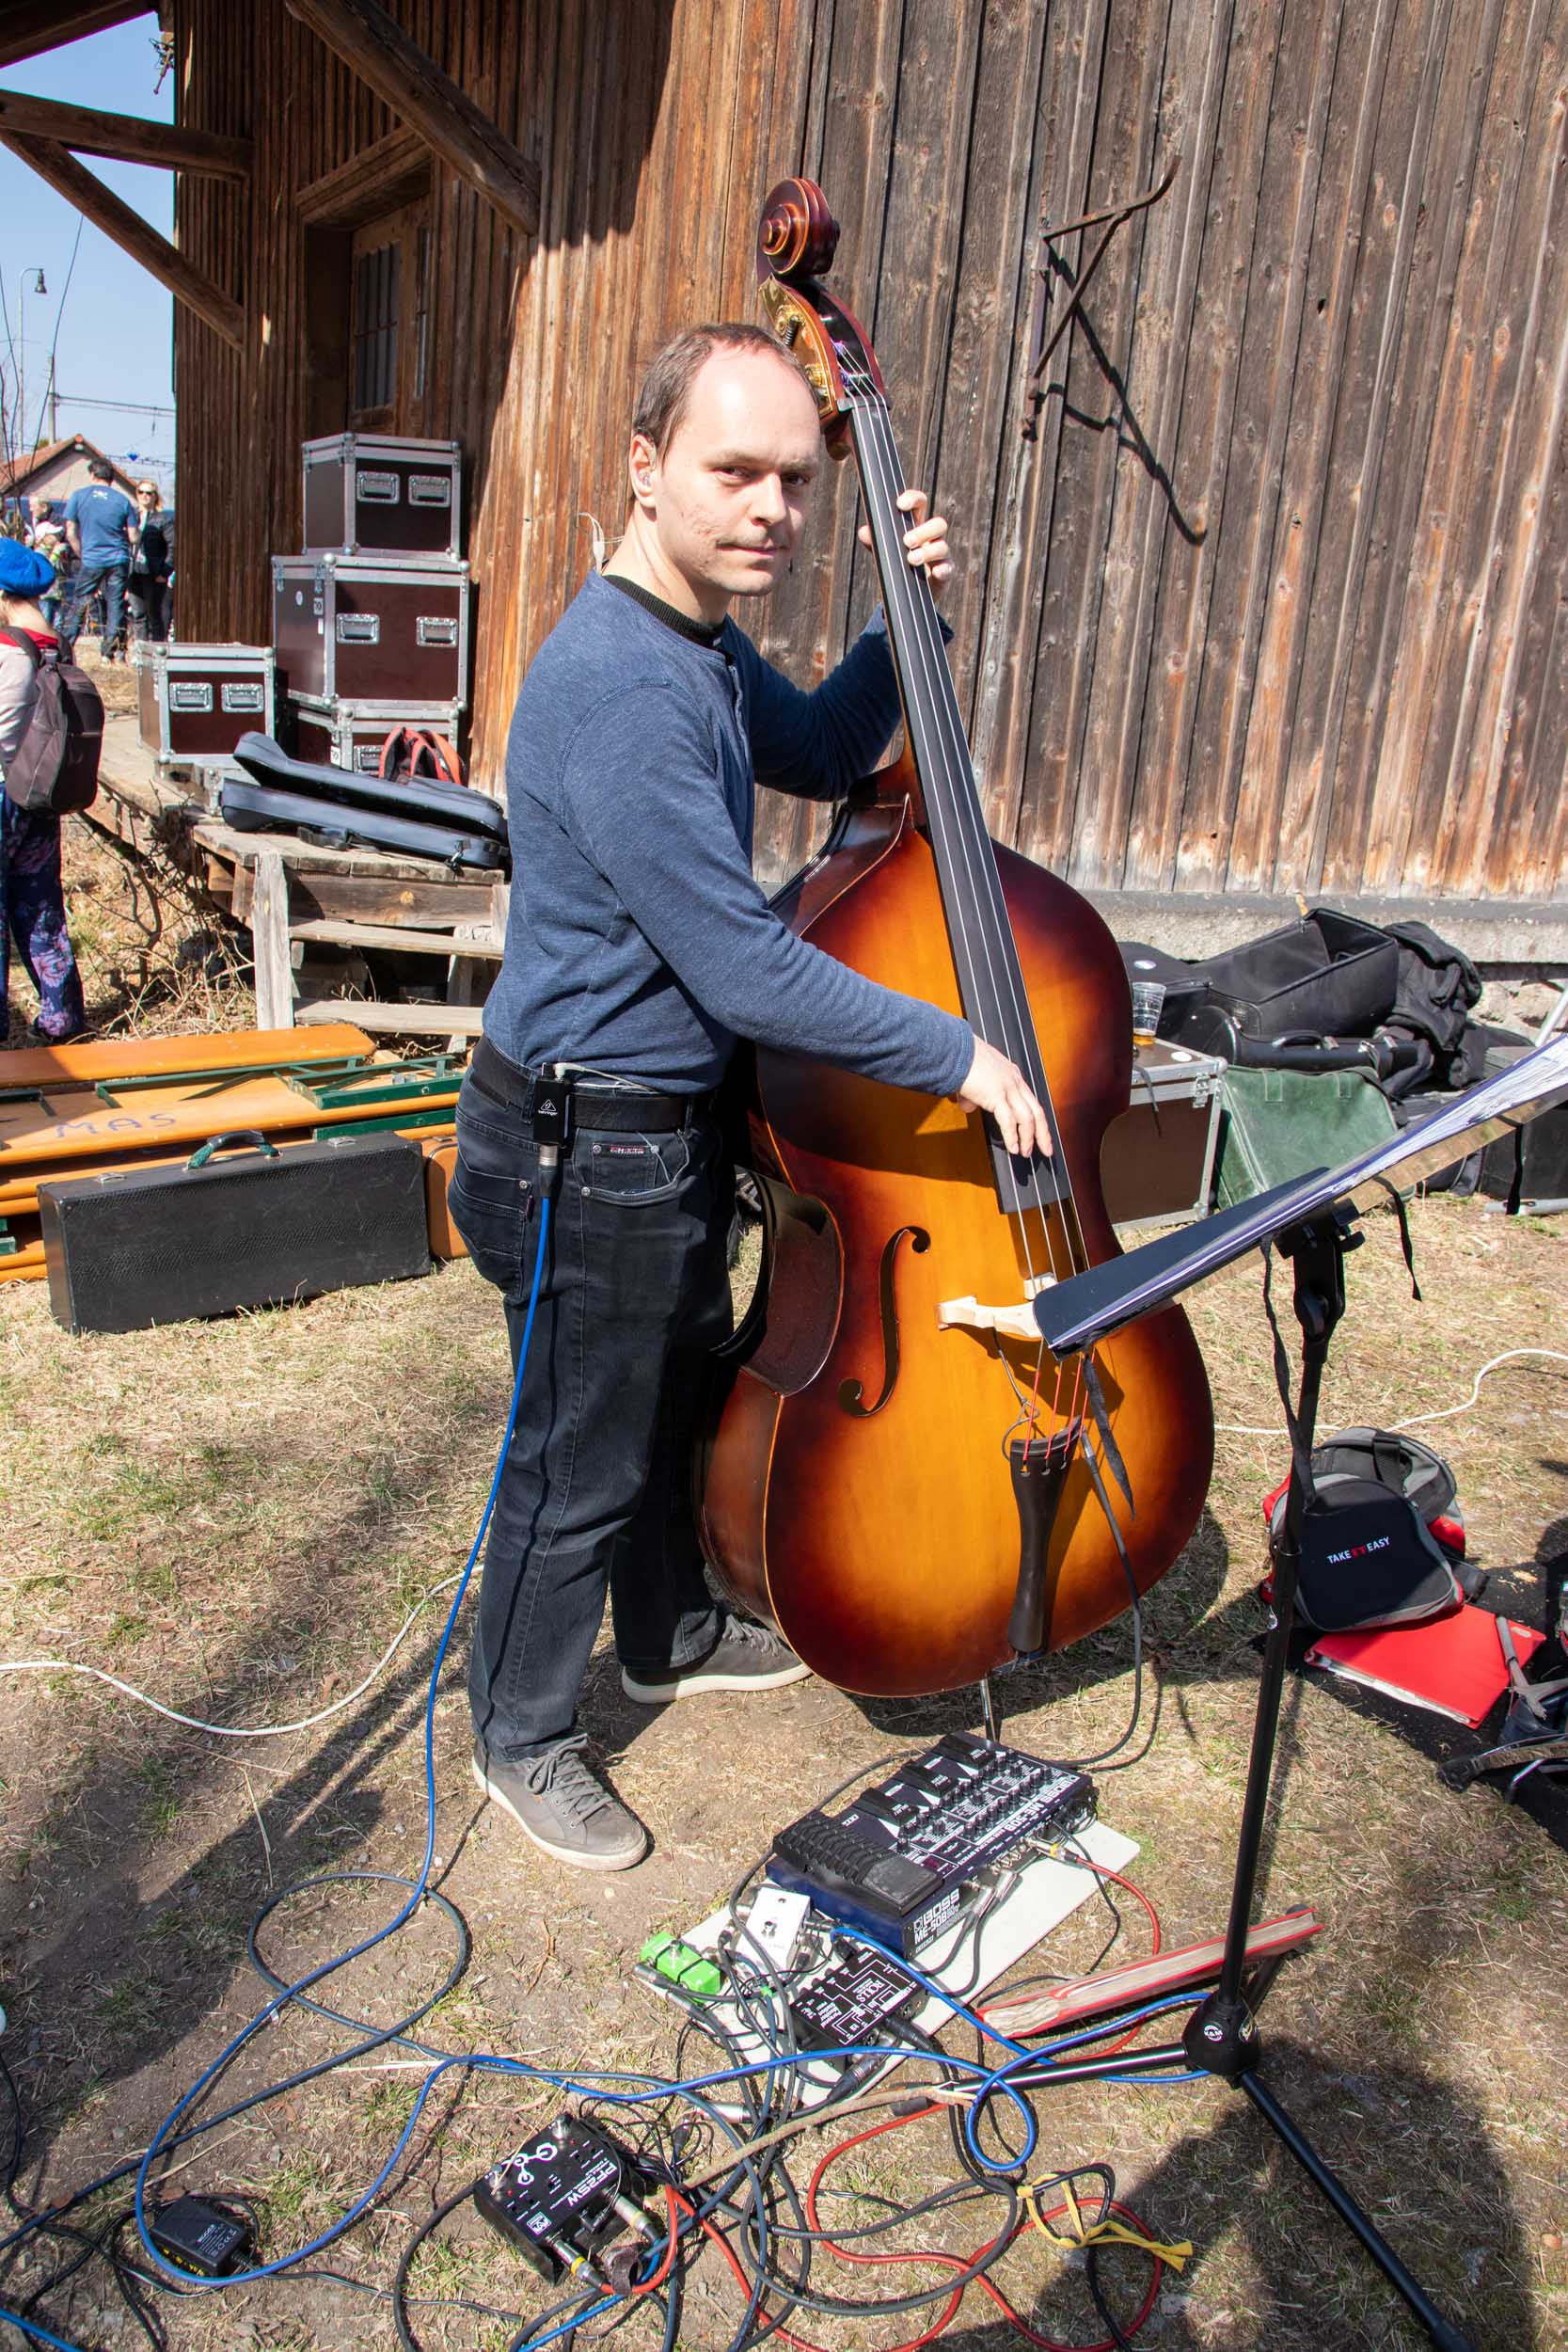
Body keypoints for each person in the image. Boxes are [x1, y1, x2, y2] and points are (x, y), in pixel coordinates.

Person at [450, 322, 1047, 1871]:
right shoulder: (623, 685)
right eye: (734, 471)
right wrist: (959, 1054)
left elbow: (829, 745)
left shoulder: (699, 643)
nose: (772, 507)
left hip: (654, 1136)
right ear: (645, 468)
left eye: (793, 479)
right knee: (576, 1463)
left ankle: (665, 1634)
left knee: (672, 1399)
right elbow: (742, 966)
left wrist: (900, 620)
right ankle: (520, 1735)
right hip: (580, 1147)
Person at [0, 540, 87, 1042]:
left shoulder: (9, 651)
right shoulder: (56, 646)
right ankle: (61, 1018)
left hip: (3, 792)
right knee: (40, 909)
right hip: (39, 795)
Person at [61, 459, 135, 661]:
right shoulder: (123, 501)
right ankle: (109, 652)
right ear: (112, 479)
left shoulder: (79, 496)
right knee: (115, 603)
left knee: (81, 601)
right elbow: (133, 536)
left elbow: (70, 531)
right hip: (118, 558)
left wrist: (82, 553)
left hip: (92, 559)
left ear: (93, 475)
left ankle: (66, 646)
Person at [127, 481, 172, 644]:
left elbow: (173, 547)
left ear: (155, 496)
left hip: (153, 574)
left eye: (149, 493)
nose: (144, 496)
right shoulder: (130, 517)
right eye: (141, 492)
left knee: (154, 614)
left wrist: (164, 572)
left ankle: (157, 649)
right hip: (133, 572)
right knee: (138, 614)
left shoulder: (163, 519)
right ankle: (141, 650)